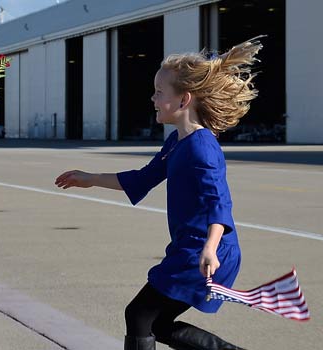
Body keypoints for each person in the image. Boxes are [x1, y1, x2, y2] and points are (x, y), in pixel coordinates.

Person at [55, 38, 263, 350]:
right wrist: (91, 178)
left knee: (139, 315)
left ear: (184, 101)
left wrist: (209, 247)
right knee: (156, 323)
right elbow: (144, 178)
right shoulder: (177, 142)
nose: (153, 98)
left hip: (205, 252)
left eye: (159, 92)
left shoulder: (202, 146)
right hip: (191, 248)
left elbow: (218, 201)